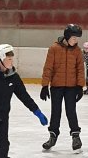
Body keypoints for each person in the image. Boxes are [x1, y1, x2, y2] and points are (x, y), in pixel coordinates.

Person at [40, 24, 85, 153]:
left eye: (77, 39)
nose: (76, 41)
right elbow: (48, 67)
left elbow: (80, 70)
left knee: (71, 111)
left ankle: (75, 136)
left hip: (71, 87)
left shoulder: (77, 51)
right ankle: (53, 136)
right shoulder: (54, 48)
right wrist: (44, 85)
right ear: (67, 36)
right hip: (56, 87)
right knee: (56, 112)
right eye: (74, 38)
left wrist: (80, 86)